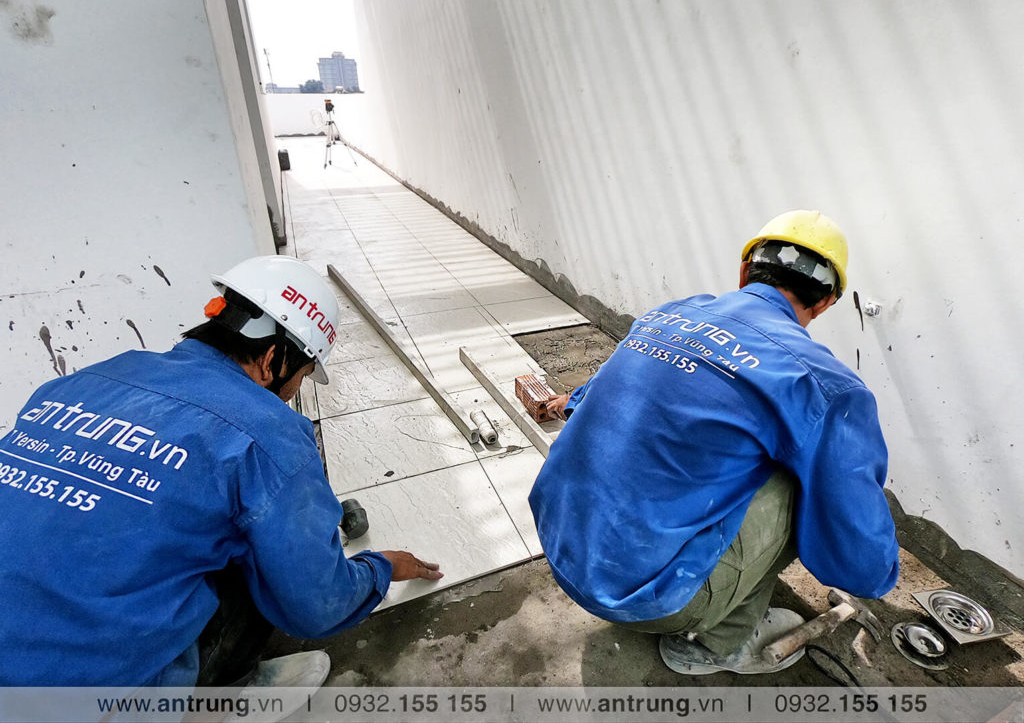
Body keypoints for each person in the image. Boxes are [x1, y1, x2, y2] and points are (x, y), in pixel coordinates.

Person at [0, 255, 442, 687]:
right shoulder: (269, 434)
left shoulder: (84, 380)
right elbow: (318, 604)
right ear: (272, 359)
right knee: (263, 551)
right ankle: (225, 694)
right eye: (303, 375)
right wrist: (380, 569)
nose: (295, 389)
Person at [529, 210, 899, 675]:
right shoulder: (821, 382)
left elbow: (601, 395)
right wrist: (877, 574)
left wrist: (572, 401)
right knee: (805, 479)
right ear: (825, 303)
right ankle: (714, 644)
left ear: (745, 272)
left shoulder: (666, 315)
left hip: (557, 540)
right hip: (641, 597)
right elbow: (853, 537)